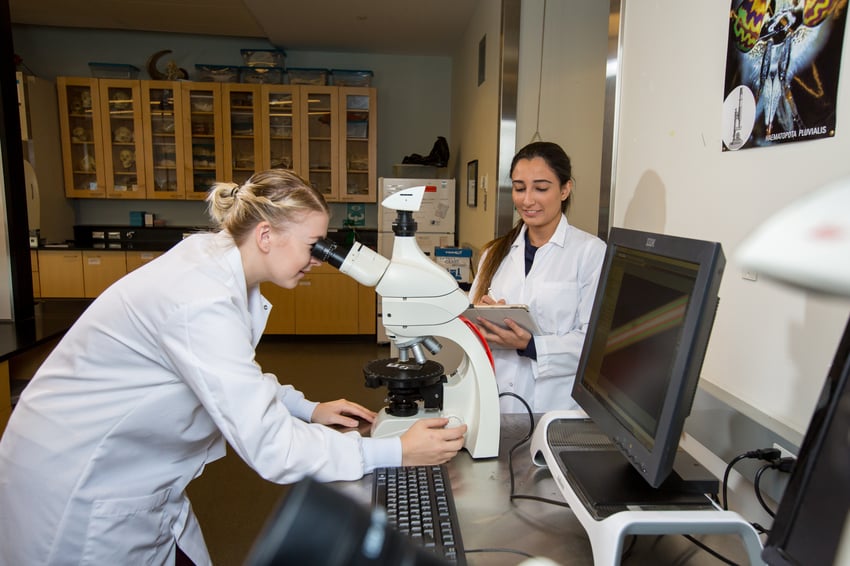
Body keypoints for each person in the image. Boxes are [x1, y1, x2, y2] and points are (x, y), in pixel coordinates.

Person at [0, 169, 467, 565]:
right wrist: (397, 451)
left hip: (141, 480)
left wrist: (307, 408)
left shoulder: (217, 260)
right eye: (314, 245)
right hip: (79, 489)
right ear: (266, 235)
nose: (318, 260)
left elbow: (226, 375)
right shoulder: (197, 299)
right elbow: (272, 449)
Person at [468, 142, 606, 413]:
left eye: (541, 188)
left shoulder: (590, 253)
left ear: (565, 189)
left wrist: (531, 344)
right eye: (519, 188)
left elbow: (595, 344)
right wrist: (481, 322)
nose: (527, 200)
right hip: (497, 404)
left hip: (555, 408)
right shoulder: (494, 253)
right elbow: (470, 327)